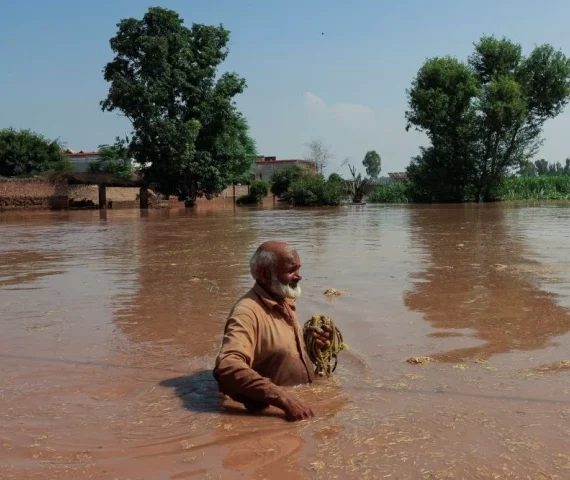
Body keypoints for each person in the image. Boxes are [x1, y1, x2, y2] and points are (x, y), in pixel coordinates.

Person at [213, 241, 331, 421]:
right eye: (291, 270)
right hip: (275, 414)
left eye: (298, 269)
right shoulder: (247, 312)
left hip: (303, 403)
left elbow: (277, 351)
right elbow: (228, 366)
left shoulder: (285, 300)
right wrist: (284, 398)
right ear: (264, 274)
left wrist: (312, 346)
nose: (298, 276)